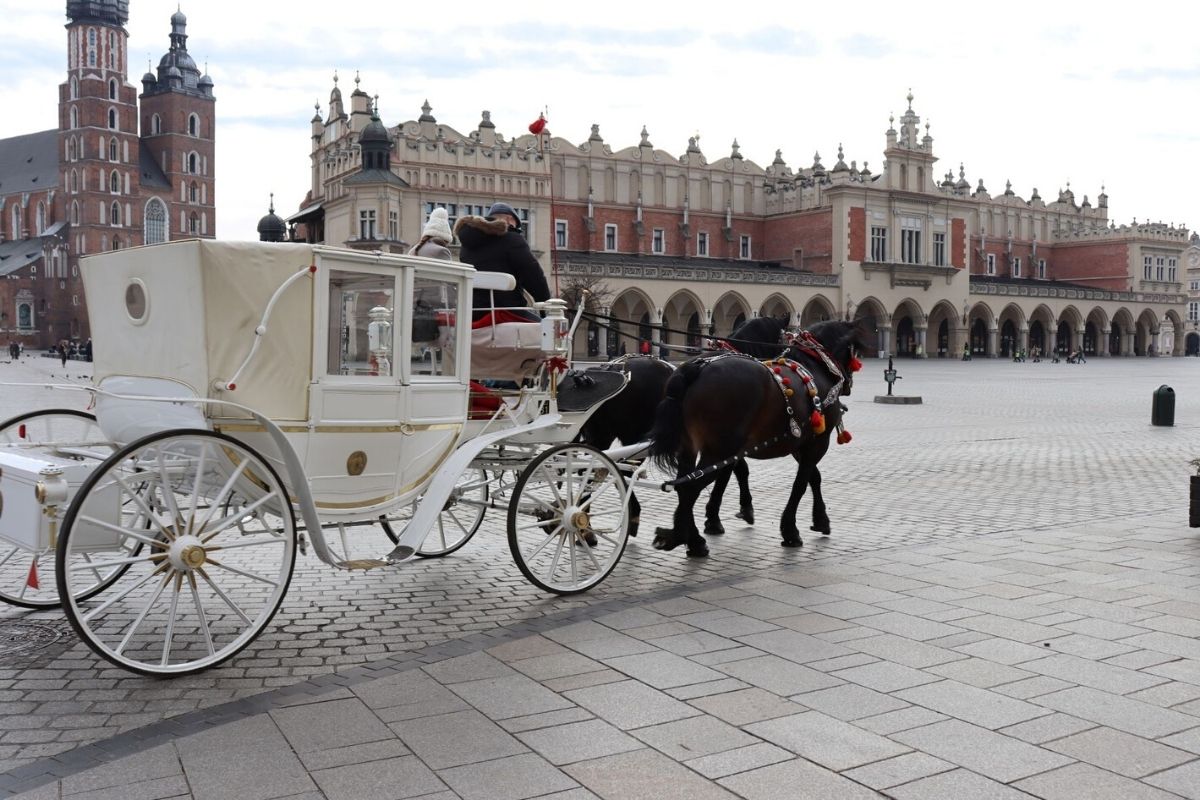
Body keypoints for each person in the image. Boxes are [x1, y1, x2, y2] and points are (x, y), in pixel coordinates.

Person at [455, 202, 550, 321]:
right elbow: (533, 277)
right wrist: (545, 304)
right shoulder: (512, 239)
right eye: (516, 227)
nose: (516, 231)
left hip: (472, 314)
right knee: (548, 331)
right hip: (506, 313)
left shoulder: (466, 246)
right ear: (509, 220)